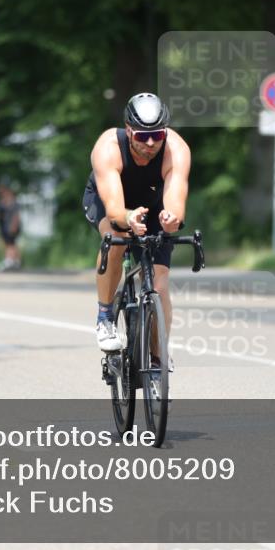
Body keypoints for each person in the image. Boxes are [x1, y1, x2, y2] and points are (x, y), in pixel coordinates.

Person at [82, 93, 191, 359]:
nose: (151, 142)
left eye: (157, 135)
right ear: (129, 130)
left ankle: (157, 357)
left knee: (159, 281)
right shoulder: (108, 147)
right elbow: (116, 210)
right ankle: (105, 317)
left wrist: (170, 219)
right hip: (112, 203)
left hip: (153, 205)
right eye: (143, 136)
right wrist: (128, 218)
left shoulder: (176, 150)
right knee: (116, 235)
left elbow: (175, 206)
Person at [0, 178, 22, 272]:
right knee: (11, 243)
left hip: (11, 226)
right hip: (5, 226)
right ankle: (16, 261)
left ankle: (9, 260)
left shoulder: (13, 202)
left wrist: (14, 225)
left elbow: (16, 215)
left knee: (10, 243)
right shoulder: (3, 201)